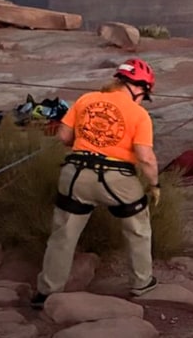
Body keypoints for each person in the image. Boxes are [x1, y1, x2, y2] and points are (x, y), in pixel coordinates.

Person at [32, 59, 161, 308]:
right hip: (117, 180)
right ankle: (141, 282)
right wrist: (154, 185)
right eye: (144, 95)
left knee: (63, 234)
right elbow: (145, 157)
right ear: (137, 87)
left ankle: (47, 292)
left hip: (76, 175)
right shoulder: (139, 115)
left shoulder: (86, 99)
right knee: (138, 228)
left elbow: (63, 136)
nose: (143, 100)